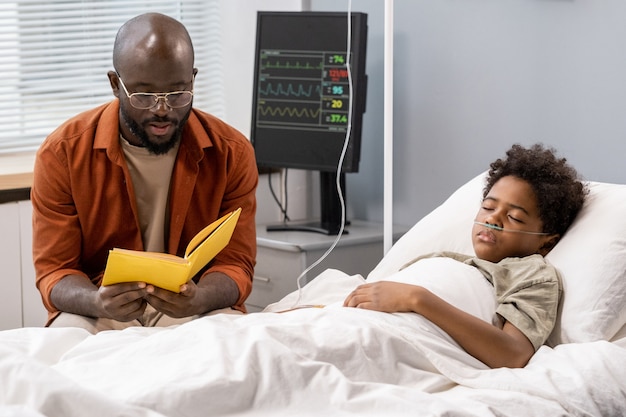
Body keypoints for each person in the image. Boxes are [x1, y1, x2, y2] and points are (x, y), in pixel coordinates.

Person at [31, 13, 258, 333]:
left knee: (240, 352)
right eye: (144, 95)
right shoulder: (63, 153)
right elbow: (56, 270)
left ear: (192, 80)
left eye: (178, 93)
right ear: (115, 84)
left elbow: (235, 263)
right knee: (63, 353)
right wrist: (96, 301)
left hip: (194, 302)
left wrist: (201, 297)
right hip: (100, 304)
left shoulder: (231, 152)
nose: (162, 109)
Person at [344, 143, 587, 368]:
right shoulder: (444, 258)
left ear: (547, 243)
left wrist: (417, 299)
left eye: (513, 217)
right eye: (488, 208)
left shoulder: (532, 273)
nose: (492, 219)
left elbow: (513, 353)